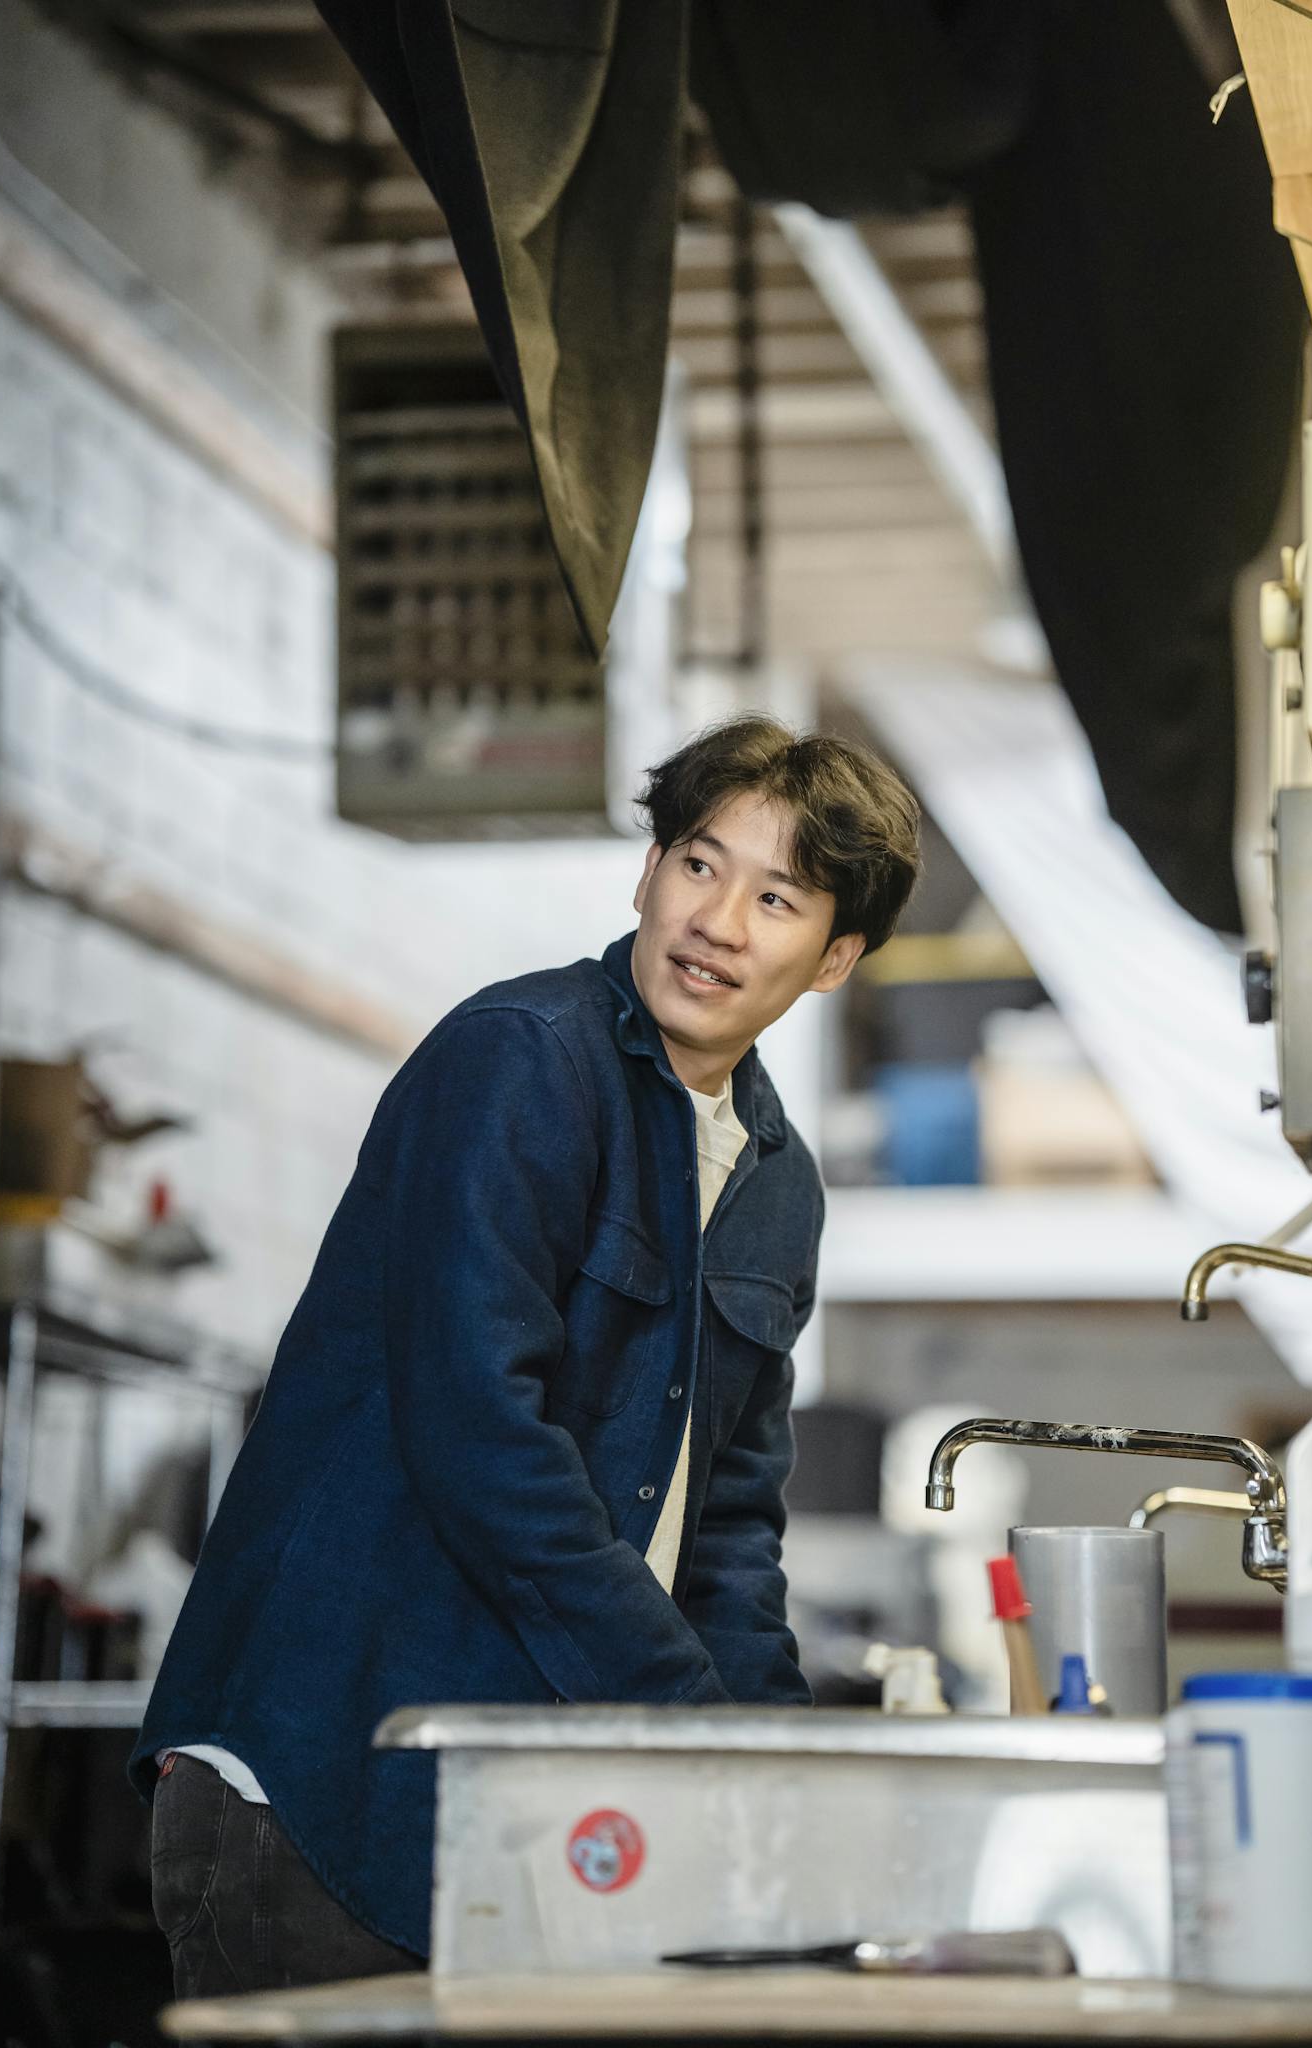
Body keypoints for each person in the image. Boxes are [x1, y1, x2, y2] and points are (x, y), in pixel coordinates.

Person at [132, 714, 921, 1995]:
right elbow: (483, 1441)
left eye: (775, 896)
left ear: (834, 958)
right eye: (698, 863)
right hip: (329, 1780)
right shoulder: (519, 1060)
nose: (716, 919)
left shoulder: (780, 1186)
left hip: (519, 1814)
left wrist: (786, 1783)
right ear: (647, 870)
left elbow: (725, 1522)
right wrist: (694, 1726)